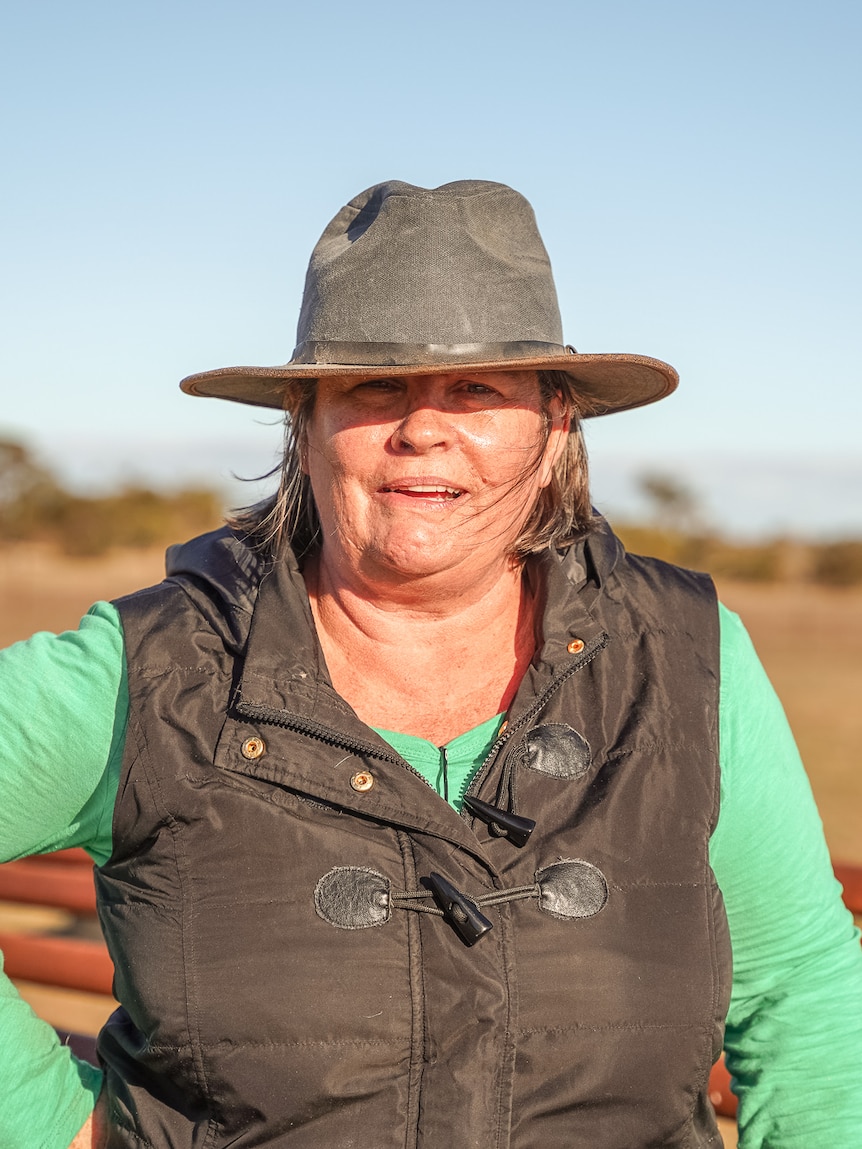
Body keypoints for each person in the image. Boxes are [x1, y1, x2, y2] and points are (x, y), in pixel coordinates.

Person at [1, 180, 860, 1149]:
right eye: (374, 388)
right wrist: (52, 1127)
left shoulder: (689, 655)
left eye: (479, 391)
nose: (422, 427)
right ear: (306, 425)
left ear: (553, 429)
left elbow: (799, 985)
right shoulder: (143, 670)